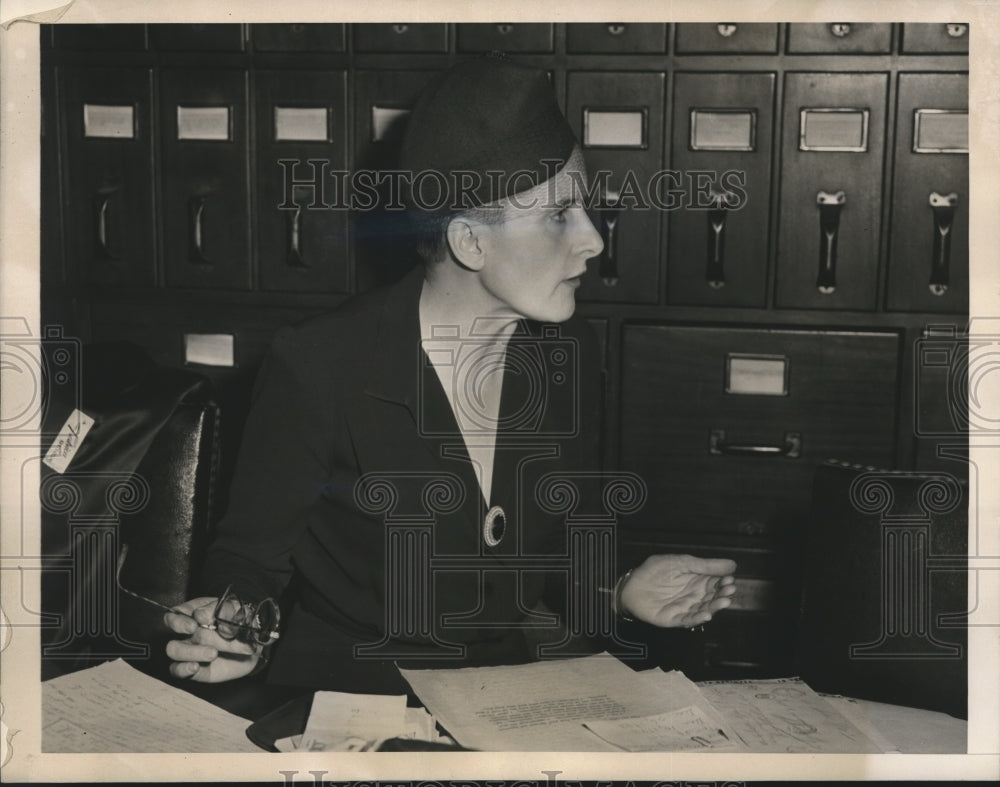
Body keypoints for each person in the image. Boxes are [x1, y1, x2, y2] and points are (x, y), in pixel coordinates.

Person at [164, 55, 737, 693]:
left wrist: (620, 590)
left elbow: (554, 549)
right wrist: (239, 629)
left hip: (511, 683)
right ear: (469, 242)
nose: (593, 239)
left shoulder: (567, 350)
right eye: (558, 215)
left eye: (585, 209)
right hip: (354, 685)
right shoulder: (321, 361)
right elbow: (249, 554)